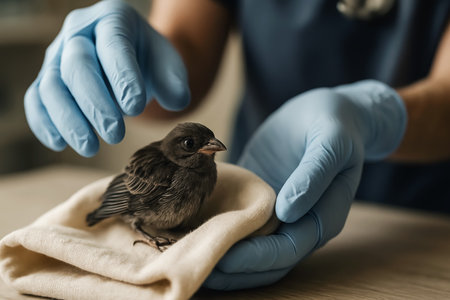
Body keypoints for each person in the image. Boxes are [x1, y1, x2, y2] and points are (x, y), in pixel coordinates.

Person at [24, 0, 450, 290]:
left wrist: (373, 115)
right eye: (197, 145)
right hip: (263, 170)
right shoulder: (164, 170)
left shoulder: (204, 169)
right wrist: (124, 63)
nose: (208, 149)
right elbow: (183, 48)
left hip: (424, 224)